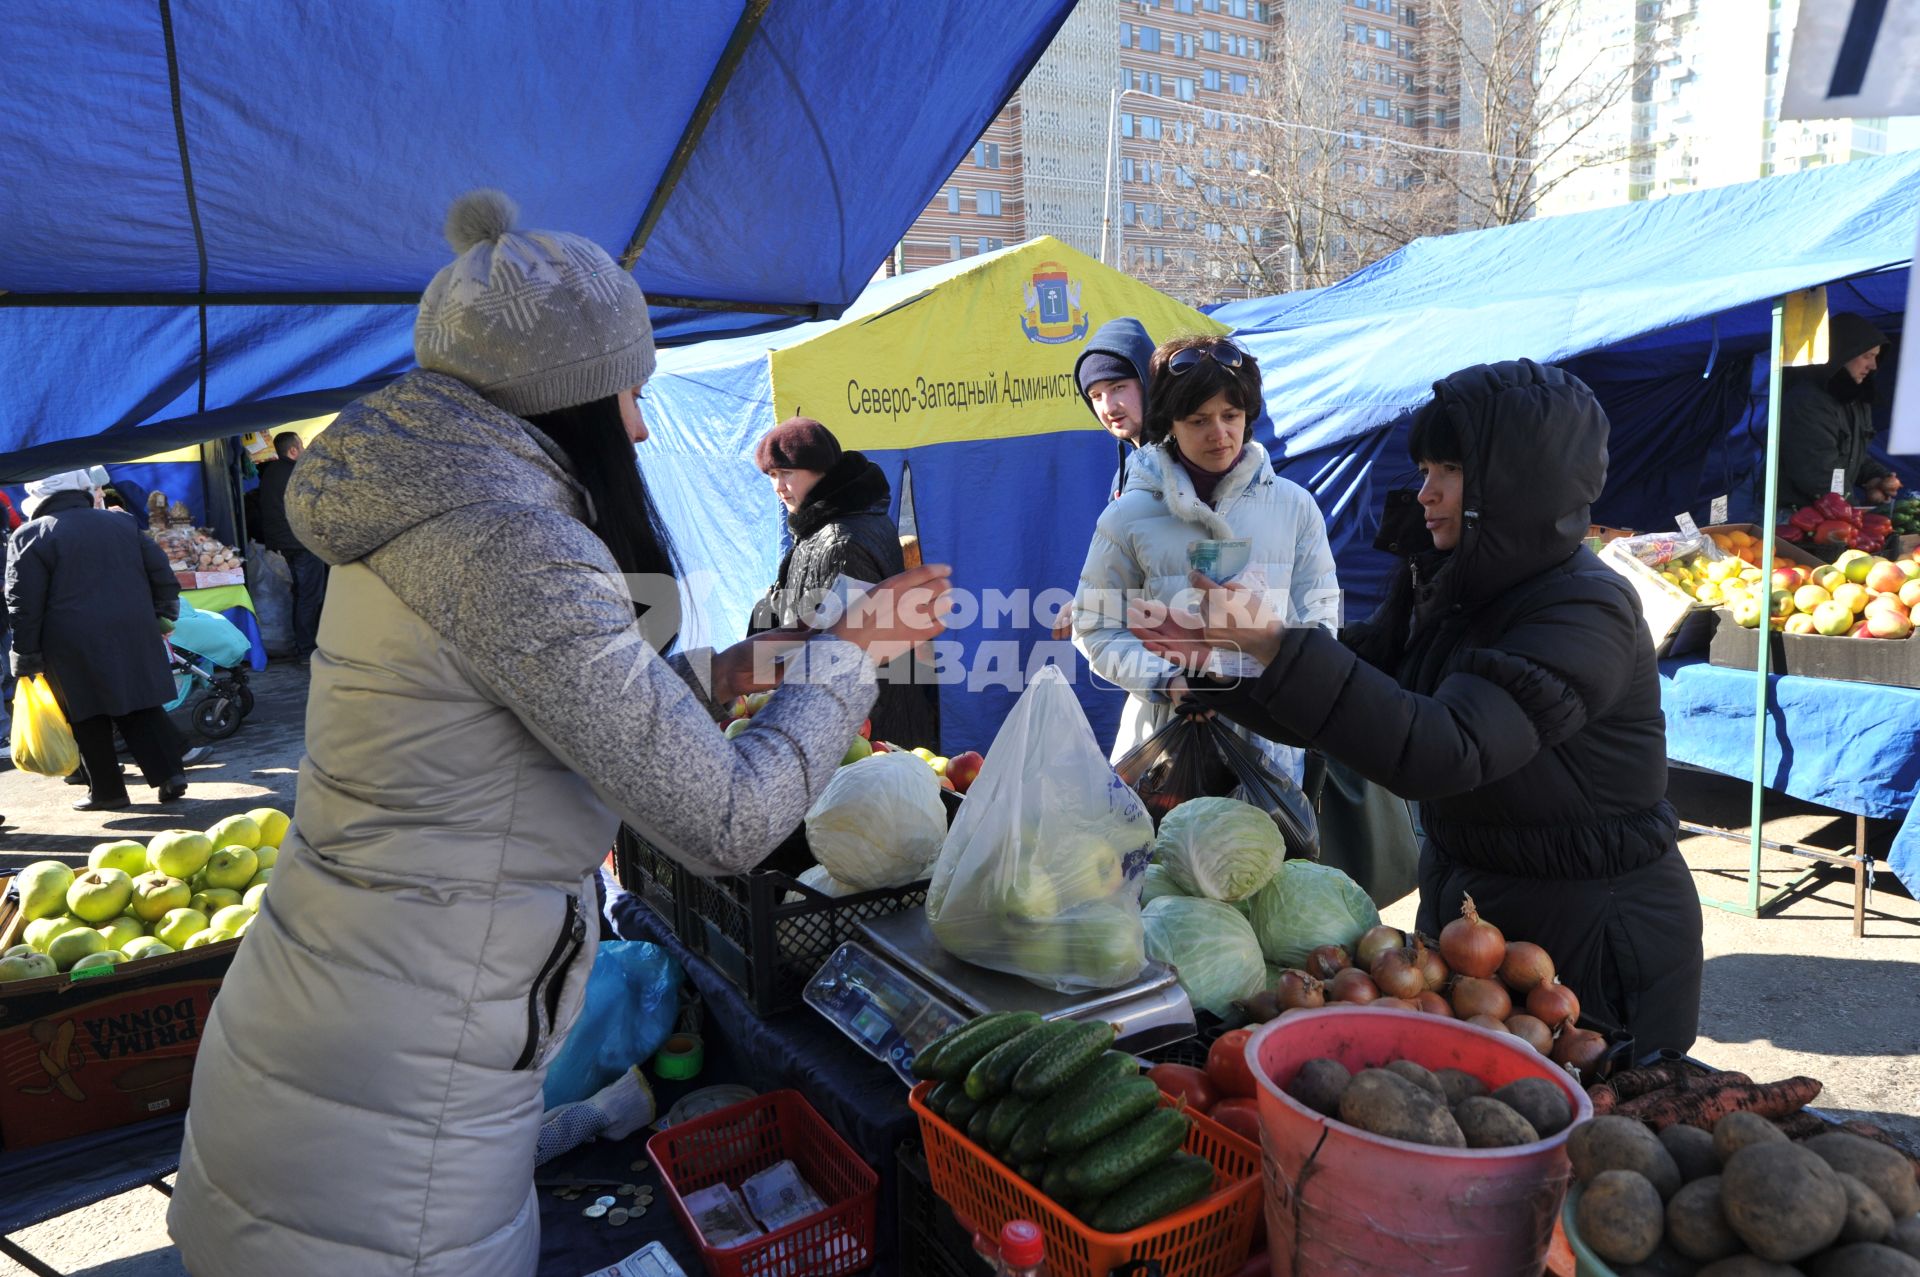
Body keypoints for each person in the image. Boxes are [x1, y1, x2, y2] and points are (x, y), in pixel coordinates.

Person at [166, 189, 951, 1277]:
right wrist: (860, 647)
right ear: (567, 398)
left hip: (348, 1031)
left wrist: (725, 669)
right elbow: (726, 820)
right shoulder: (509, 544)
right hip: (394, 1101)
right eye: (630, 392)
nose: (639, 424)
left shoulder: (437, 512)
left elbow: (530, 698)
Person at [1131, 359, 1705, 1055]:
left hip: (1592, 934)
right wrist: (1225, 668)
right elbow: (1353, 701)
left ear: (1514, 483)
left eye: (1448, 472)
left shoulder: (1584, 608)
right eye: (1425, 469)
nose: (1425, 492)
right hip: (1473, 913)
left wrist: (1278, 643)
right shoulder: (1455, 589)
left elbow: (1442, 748)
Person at [1072, 335, 1339, 782]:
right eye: (1199, 420)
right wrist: (1169, 682)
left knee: (1266, 852)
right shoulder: (1127, 515)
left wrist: (1279, 677)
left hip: (1272, 749)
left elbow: (1321, 619)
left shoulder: (1295, 507)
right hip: (1163, 751)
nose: (1220, 433)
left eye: (1231, 416)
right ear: (1170, 423)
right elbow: (1095, 624)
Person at [752, 416, 939, 749]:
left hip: (870, 731)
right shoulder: (825, 526)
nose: (778, 487)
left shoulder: (840, 540)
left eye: (787, 473)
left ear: (821, 471)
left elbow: (851, 658)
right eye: (772, 475)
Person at [5, 470, 189, 809]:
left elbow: (23, 602)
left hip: (69, 640)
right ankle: (169, 776)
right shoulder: (120, 523)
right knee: (138, 703)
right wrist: (164, 612)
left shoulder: (29, 534)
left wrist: (25, 652)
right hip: (132, 627)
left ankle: (108, 792)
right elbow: (160, 569)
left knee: (87, 715)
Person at [1774, 312, 1899, 511]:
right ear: (1843, 355)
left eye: (1876, 357)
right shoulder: (1807, 402)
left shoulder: (1855, 398)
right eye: (1867, 356)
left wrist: (1875, 476)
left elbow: (1849, 455)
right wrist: (1854, 515)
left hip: (1831, 513)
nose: (1873, 366)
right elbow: (1817, 471)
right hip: (1795, 514)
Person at [254, 429, 327, 660]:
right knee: (310, 596)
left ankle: (304, 645)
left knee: (302, 594)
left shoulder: (270, 472)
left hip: (284, 544)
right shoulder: (296, 473)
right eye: (302, 446)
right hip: (302, 543)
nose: (305, 450)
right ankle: (307, 649)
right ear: (293, 450)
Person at [1074, 316, 1156, 502]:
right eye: (1096, 396)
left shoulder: (1192, 460)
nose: (1108, 408)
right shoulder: (1127, 472)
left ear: (1148, 381)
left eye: (1118, 388)